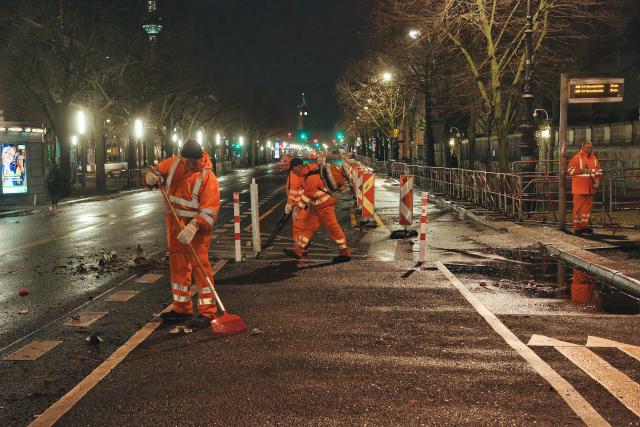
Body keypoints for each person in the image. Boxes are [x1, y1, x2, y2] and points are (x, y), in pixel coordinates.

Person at [145, 140, 221, 328]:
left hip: (196, 231)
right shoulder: (175, 163)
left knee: (201, 269)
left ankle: (207, 312)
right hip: (175, 227)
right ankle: (182, 307)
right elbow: (155, 171)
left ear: (200, 158)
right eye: (186, 161)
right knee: (178, 268)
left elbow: (210, 211)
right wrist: (151, 177)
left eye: (193, 162)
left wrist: (195, 225)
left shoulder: (207, 177)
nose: (189, 165)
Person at [283, 162, 351, 262]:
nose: (294, 172)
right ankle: (298, 250)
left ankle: (345, 253)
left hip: (325, 206)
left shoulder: (311, 175)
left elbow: (308, 193)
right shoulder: (307, 174)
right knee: (308, 228)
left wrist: (297, 208)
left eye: (294, 170)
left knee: (333, 229)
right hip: (318, 206)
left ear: (299, 166)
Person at [567, 141, 602, 235]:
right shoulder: (576, 158)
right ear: (582, 148)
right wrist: (582, 170)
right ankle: (577, 228)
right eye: (587, 147)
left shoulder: (594, 159)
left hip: (591, 188)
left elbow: (599, 171)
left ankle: (583, 226)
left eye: (590, 147)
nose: (589, 149)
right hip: (580, 188)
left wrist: (598, 181)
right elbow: (570, 171)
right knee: (578, 209)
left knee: (586, 210)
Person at [285, 157, 308, 248]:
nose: (284, 162)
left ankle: (300, 248)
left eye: (285, 160)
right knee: (302, 227)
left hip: (301, 205)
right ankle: (301, 247)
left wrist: (290, 203)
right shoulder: (295, 172)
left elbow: (294, 188)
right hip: (301, 204)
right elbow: (291, 188)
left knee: (299, 228)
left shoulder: (295, 172)